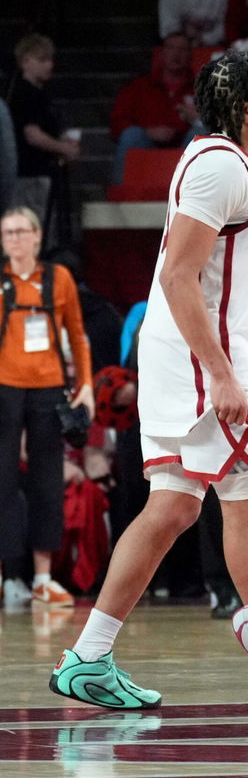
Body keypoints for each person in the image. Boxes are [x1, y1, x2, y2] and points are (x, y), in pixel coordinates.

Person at [47, 51, 248, 713]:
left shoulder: (228, 161)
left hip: (189, 345)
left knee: (176, 506)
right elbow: (178, 276)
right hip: (198, 351)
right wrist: (220, 372)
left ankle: (88, 656)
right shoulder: (219, 167)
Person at [0, 205, 93, 607]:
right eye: (8, 233)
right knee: (1, 481)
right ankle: (6, 576)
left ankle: (41, 577)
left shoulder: (59, 279)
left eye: (22, 231)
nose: (15, 239)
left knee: (47, 481)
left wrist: (85, 384)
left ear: (37, 236)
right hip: (4, 387)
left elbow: (76, 333)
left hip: (49, 387)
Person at [8, 34, 78, 248]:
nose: (49, 65)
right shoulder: (24, 94)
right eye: (43, 60)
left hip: (39, 173)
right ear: (26, 61)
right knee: (33, 231)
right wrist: (63, 148)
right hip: (29, 174)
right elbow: (32, 134)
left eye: (50, 59)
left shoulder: (39, 94)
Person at [109, 33, 205, 184]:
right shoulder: (138, 87)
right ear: (161, 53)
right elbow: (117, 123)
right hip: (146, 145)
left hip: (185, 147)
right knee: (131, 135)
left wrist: (197, 119)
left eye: (183, 49)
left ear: (190, 55)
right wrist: (148, 132)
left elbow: (223, 128)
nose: (176, 54)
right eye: (171, 48)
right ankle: (122, 196)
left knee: (201, 134)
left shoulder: (204, 90)